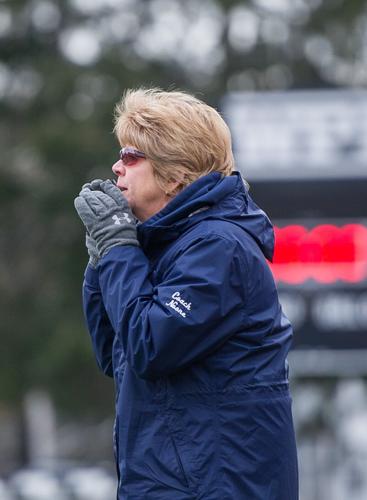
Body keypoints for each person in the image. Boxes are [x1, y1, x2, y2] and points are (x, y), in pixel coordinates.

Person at [74, 88, 299, 499]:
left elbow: (150, 346)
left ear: (176, 173)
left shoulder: (220, 246)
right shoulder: (163, 247)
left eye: (130, 156)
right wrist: (102, 259)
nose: (116, 167)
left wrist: (119, 251)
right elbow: (113, 352)